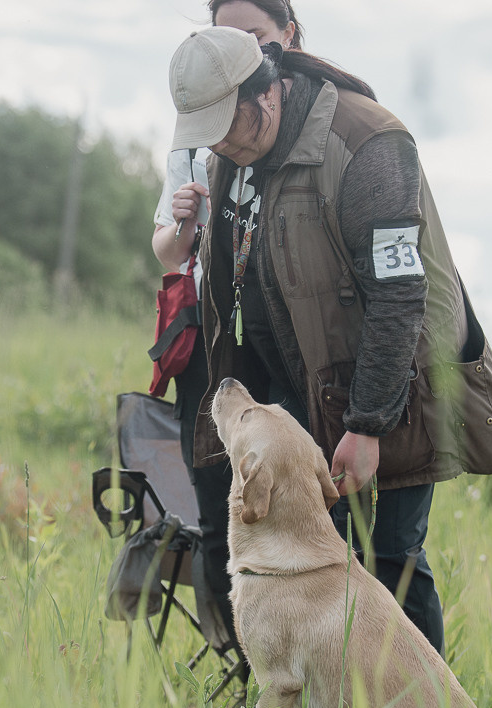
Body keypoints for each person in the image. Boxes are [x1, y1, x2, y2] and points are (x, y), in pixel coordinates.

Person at [167, 27, 492, 656]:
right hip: (300, 389)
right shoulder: (232, 153)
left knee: (388, 559)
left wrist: (369, 422)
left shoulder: (368, 144)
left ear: (266, 94)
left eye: (225, 124)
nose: (217, 142)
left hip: (393, 382)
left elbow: (401, 295)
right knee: (317, 563)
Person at [150, 1, 304, 655]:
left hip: (289, 347)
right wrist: (182, 223)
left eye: (256, 38)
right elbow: (165, 252)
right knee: (218, 516)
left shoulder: (298, 122)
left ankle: (309, 665)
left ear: (287, 36)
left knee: (296, 510)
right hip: (213, 350)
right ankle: (246, 673)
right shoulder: (194, 133)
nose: (240, 53)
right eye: (225, 37)